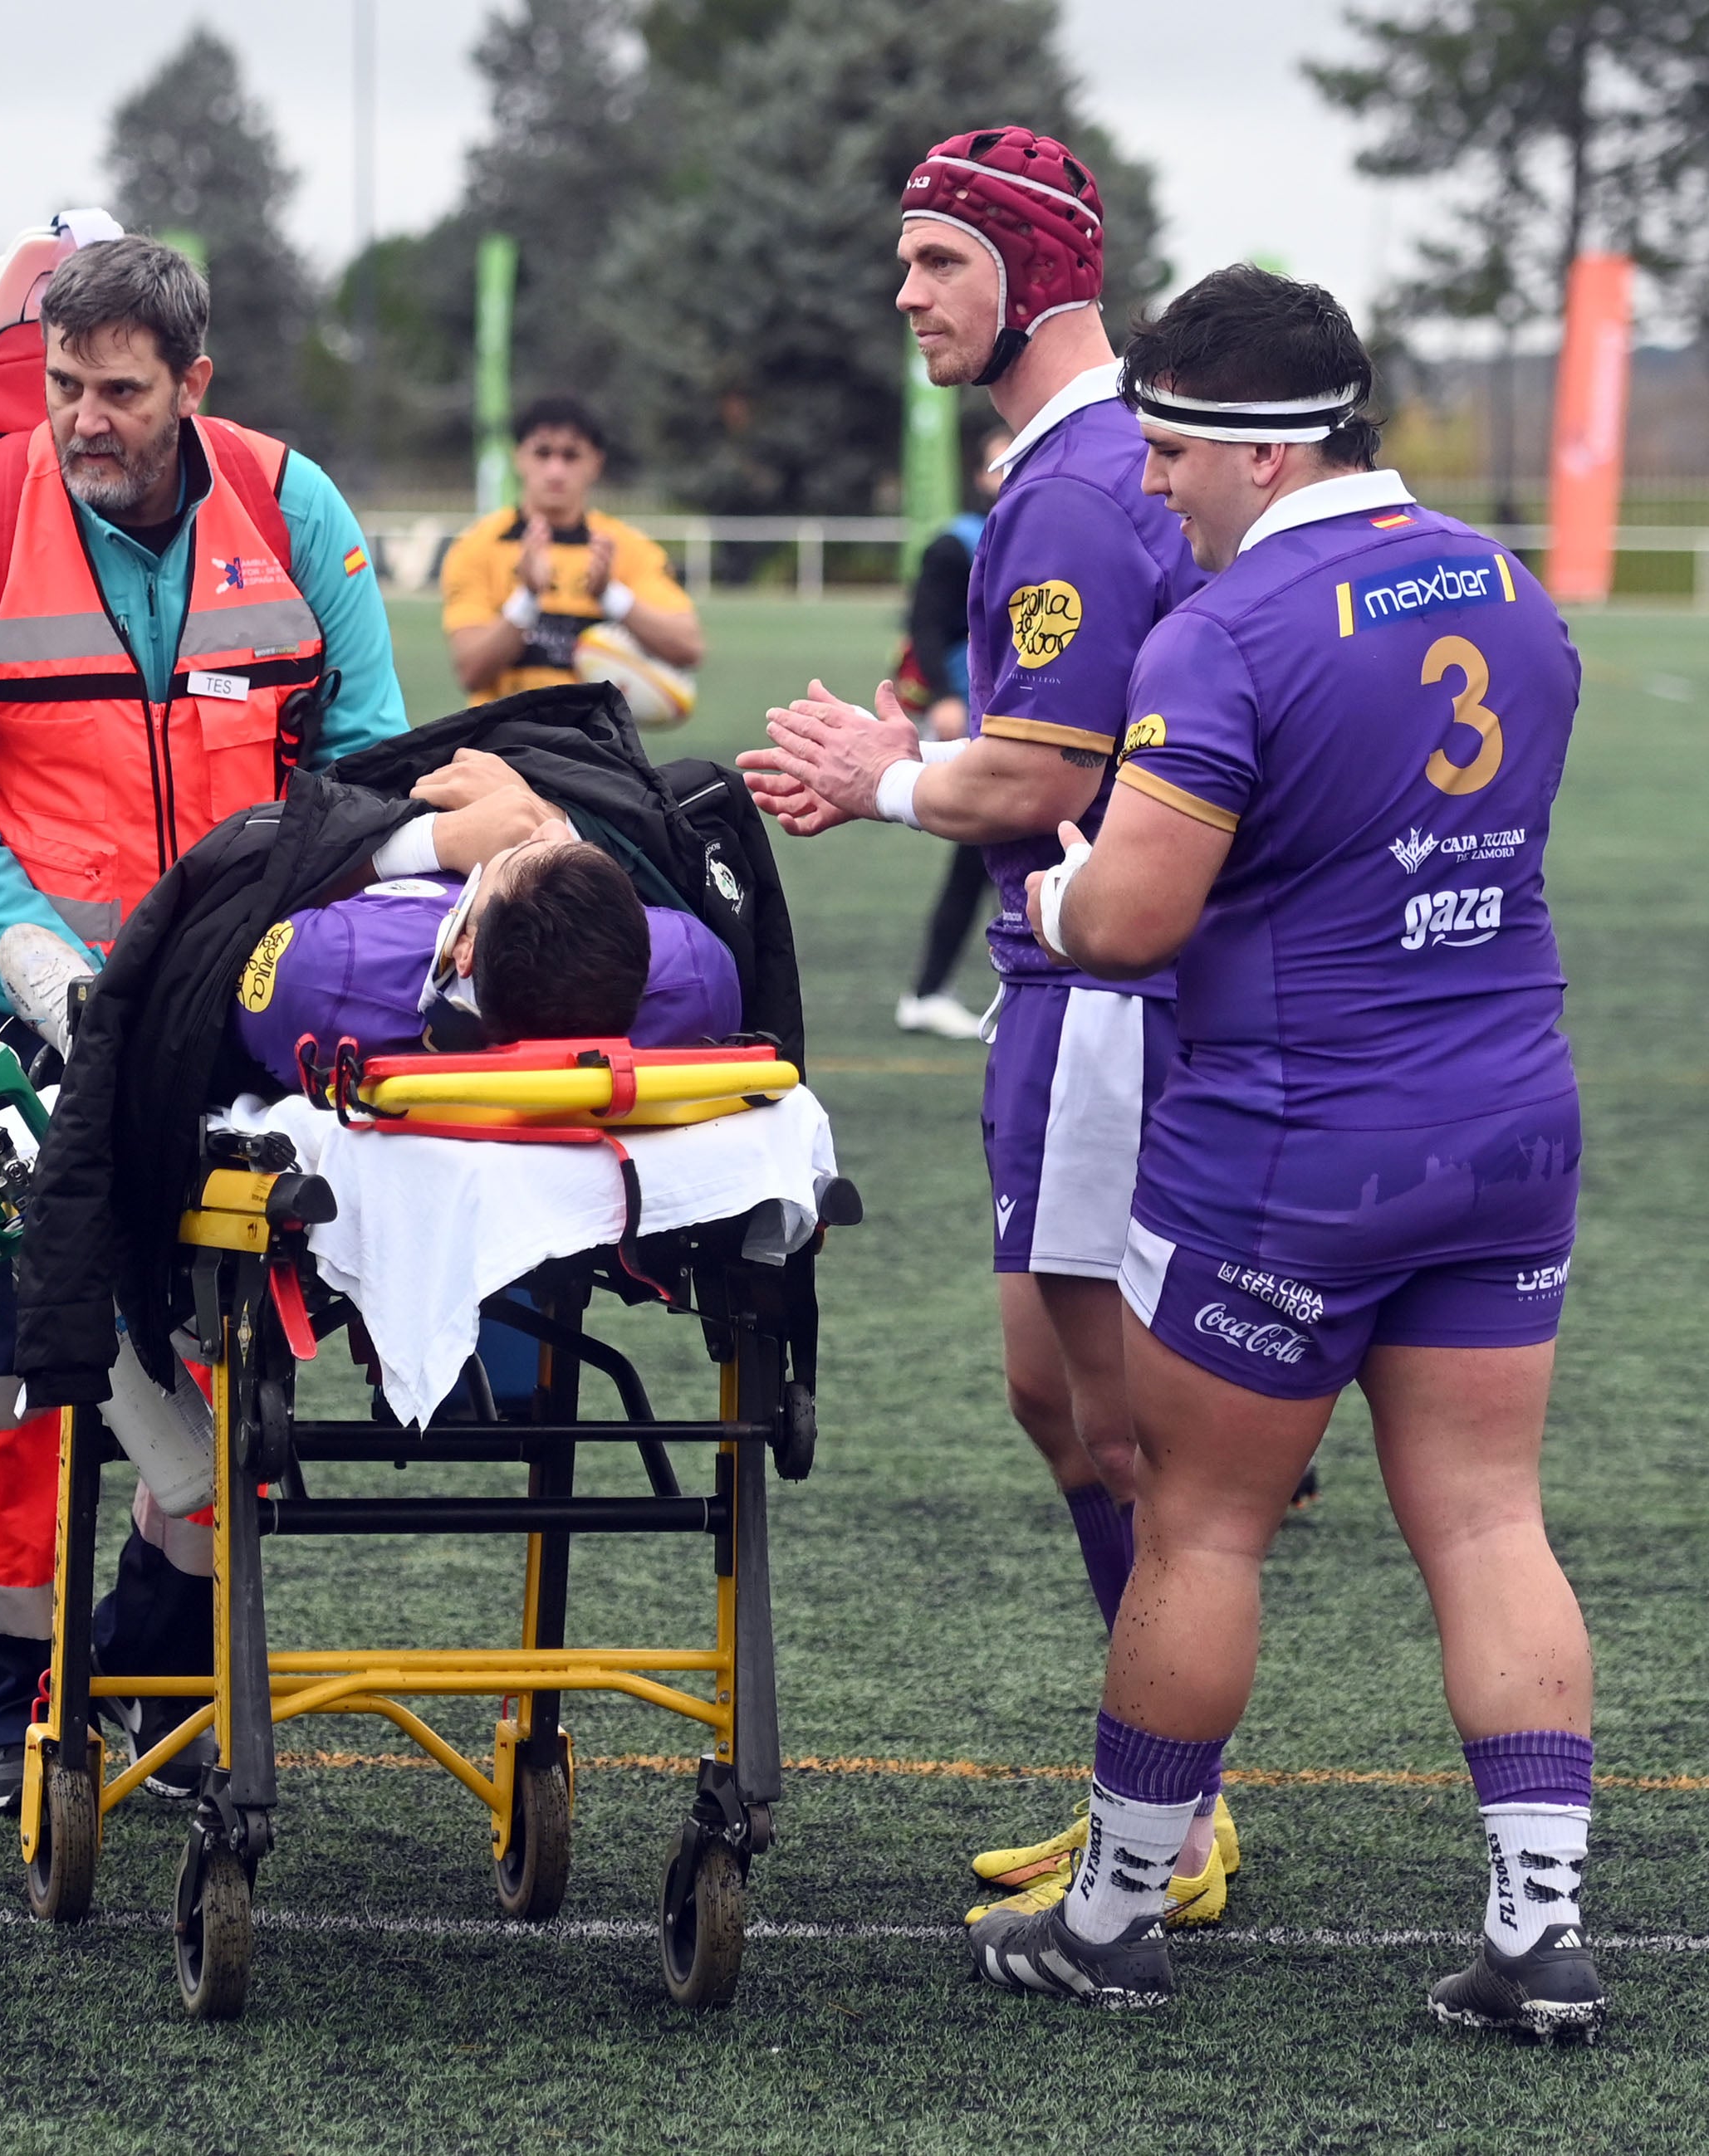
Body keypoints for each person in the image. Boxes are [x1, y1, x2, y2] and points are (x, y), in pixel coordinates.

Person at [967, 267, 1600, 2034]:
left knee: (1198, 1526)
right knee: (1485, 1516)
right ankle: (1538, 1922)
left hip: (1294, 1138)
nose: (1151, 481)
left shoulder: (1224, 633)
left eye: (1169, 447)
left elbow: (1136, 920)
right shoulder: (1508, 585)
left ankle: (1109, 1912)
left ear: (1258, 452)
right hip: (1505, 1112)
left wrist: (1059, 886)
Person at [738, 129, 1231, 1921]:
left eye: (938, 259)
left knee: (1111, 1420)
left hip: (1106, 996)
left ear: (1027, 274)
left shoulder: (1080, 480)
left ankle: (1167, 1820)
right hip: (1071, 989)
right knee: (1061, 1398)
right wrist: (904, 753)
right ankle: (1160, 1802)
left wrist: (892, 778)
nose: (905, 293)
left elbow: (1049, 773)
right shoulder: (1078, 466)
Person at [0, 235, 409, 1817]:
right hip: (3, 1005)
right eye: (61, 388)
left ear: (192, 383)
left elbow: (368, 759)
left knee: (219, 1354)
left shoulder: (295, 508)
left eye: (118, 391)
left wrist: (302, 947)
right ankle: (11, 1701)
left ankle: (151, 1674)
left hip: (231, 1010)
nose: (84, 420)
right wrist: (35, 956)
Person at [228, 747, 744, 1082]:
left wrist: (431, 841)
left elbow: (242, 903)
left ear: (464, 948)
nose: (541, 830)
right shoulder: (696, 978)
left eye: (521, 852)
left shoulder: (326, 974)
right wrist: (554, 815)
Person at [440, 396, 704, 705]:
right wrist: (527, 598)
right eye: (542, 453)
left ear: (596, 463)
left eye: (571, 456)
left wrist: (610, 596)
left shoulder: (626, 548)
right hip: (501, 741)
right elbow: (471, 672)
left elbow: (689, 648)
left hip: (594, 745)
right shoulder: (475, 547)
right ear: (518, 458)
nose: (555, 470)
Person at [894, 433, 1010, 1040]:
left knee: (990, 854)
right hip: (973, 715)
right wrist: (940, 696)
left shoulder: (1040, 526)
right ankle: (931, 988)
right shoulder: (959, 541)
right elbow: (924, 626)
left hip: (1006, 717)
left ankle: (936, 988)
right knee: (987, 850)